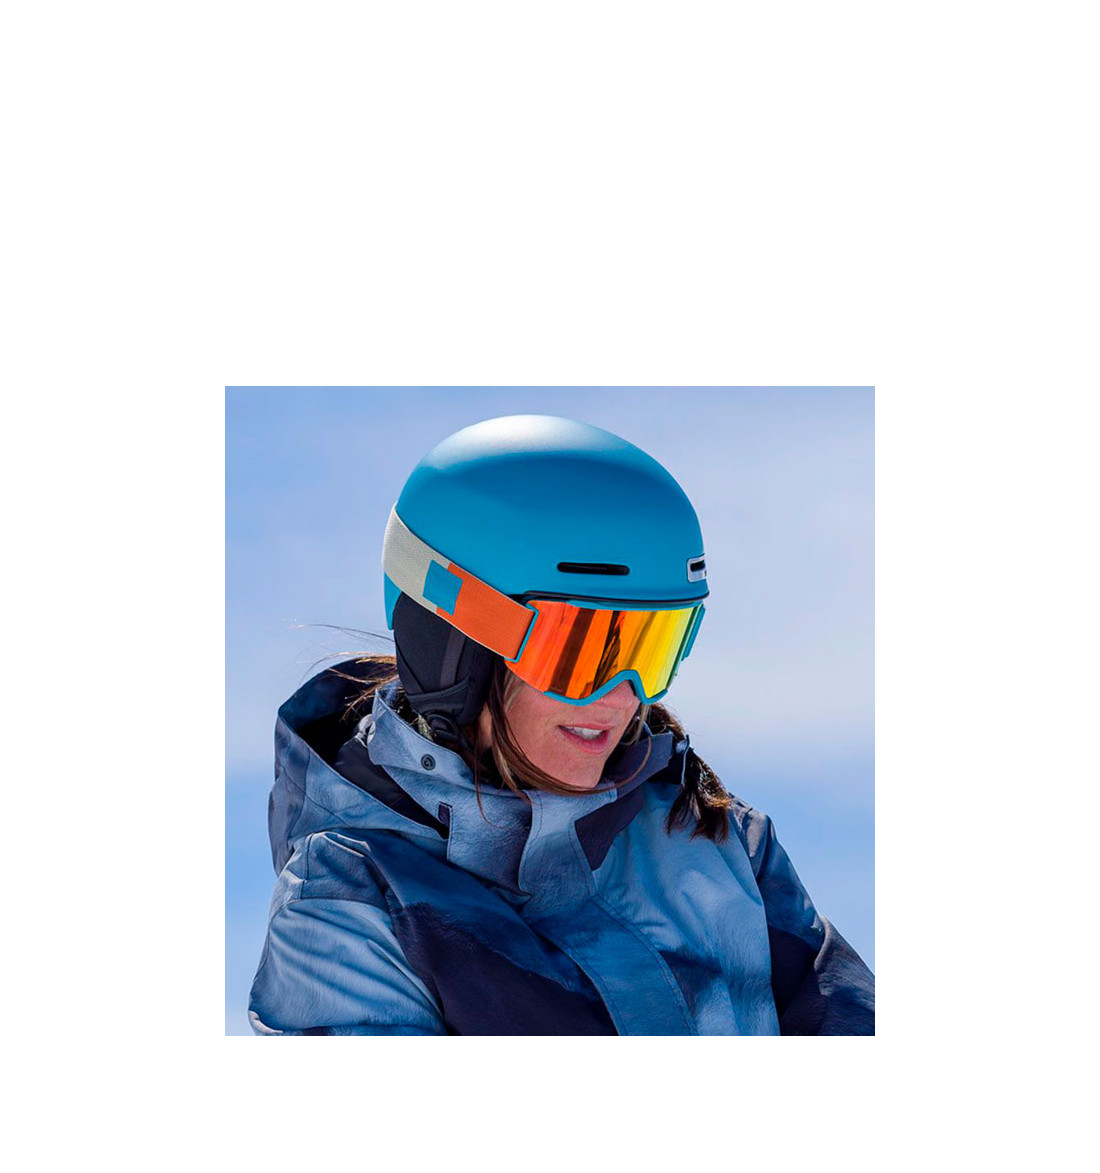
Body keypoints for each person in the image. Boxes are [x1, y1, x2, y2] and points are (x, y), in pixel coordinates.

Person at [248, 414, 875, 1035]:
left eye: (651, 650)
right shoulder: (350, 901)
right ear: (454, 645)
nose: (620, 698)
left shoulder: (714, 839)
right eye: (579, 653)